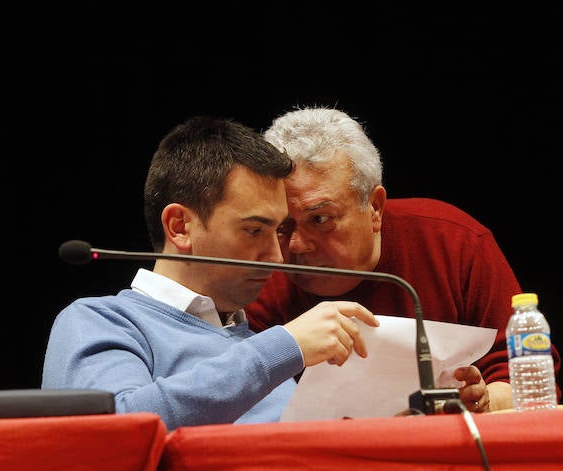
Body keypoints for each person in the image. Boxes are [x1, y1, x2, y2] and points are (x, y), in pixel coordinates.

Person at [42, 116, 378, 431]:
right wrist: (283, 347)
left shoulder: (250, 340)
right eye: (253, 230)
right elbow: (115, 433)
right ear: (180, 226)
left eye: (277, 231)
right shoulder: (99, 321)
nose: (277, 257)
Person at [245, 107, 561, 412]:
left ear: (375, 209)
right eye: (283, 225)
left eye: (320, 219)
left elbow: (527, 373)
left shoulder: (452, 241)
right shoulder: (258, 272)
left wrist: (483, 401)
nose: (297, 246)